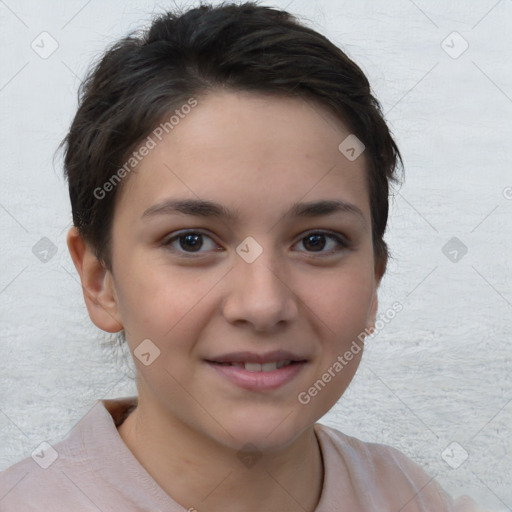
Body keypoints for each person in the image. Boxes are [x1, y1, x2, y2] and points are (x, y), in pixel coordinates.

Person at [0, 2, 490, 511]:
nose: (262, 304)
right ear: (100, 281)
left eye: (317, 241)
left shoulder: (415, 499)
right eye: (191, 241)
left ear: (374, 280)